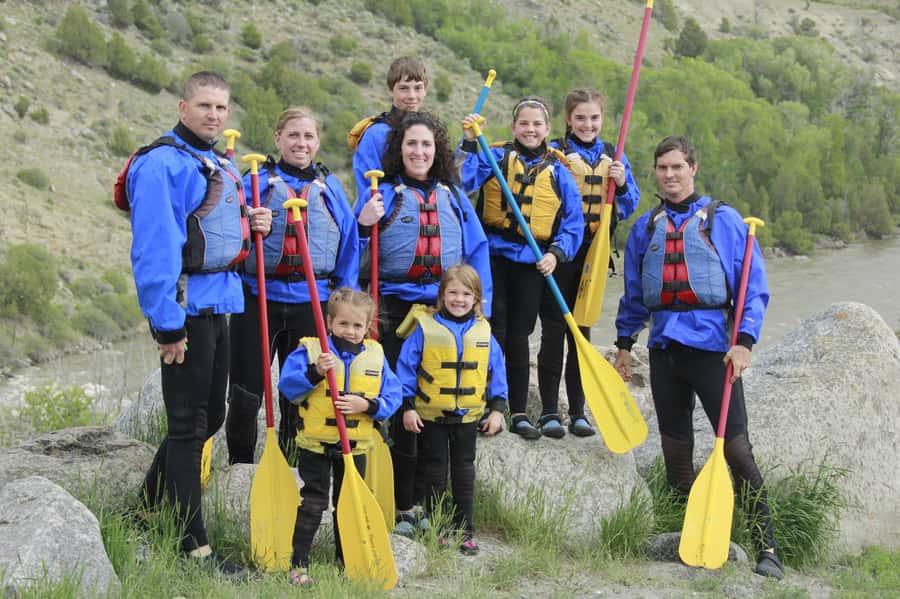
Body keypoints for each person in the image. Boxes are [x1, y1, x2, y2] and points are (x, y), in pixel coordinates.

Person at [613, 136, 783, 580]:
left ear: (693, 168)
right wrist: (624, 344)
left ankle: (766, 542)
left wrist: (744, 341)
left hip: (713, 349)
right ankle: (695, 531)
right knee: (675, 452)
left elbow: (752, 285)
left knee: (737, 450)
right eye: (662, 168)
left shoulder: (723, 221)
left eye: (677, 167)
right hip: (665, 350)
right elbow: (634, 293)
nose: (669, 175)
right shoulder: (646, 227)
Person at [126, 71, 272, 576]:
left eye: (222, 108)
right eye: (205, 106)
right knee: (189, 426)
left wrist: (252, 222)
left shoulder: (216, 162)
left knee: (210, 417)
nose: (214, 115)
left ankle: (144, 512)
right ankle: (195, 549)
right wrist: (167, 326)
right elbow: (154, 249)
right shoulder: (162, 164)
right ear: (182, 107)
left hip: (220, 304)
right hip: (186, 310)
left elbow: (213, 229)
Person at [354, 110, 492, 536]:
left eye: (426, 145)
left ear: (438, 151)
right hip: (393, 311)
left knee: (431, 406)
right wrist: (363, 224)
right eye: (411, 144)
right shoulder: (382, 196)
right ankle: (402, 505)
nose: (419, 151)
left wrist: (480, 311)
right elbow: (353, 251)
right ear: (399, 149)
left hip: (442, 313)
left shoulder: (453, 196)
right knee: (400, 406)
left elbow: (477, 252)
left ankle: (429, 504)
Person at [225, 107, 359, 465]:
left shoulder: (329, 188)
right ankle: (241, 469)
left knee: (299, 390)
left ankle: (292, 466)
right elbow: (228, 239)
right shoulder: (255, 182)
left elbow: (349, 246)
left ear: (317, 142)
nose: (301, 143)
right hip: (258, 299)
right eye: (294, 135)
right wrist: (248, 225)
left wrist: (344, 307)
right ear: (278, 138)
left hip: (310, 303)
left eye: (309, 136)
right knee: (245, 391)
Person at [459, 97, 584, 440]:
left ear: (547, 130)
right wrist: (470, 141)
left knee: (519, 334)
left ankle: (516, 410)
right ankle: (485, 402)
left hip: (532, 261)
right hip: (493, 257)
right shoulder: (493, 156)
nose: (530, 130)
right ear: (514, 127)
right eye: (524, 124)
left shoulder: (559, 172)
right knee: (491, 327)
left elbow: (573, 224)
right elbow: (463, 180)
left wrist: (556, 254)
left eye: (537, 124)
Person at [277, 288, 402, 586]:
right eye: (343, 324)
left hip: (355, 447)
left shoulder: (376, 355)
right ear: (329, 322)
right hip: (316, 446)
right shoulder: (310, 352)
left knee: (348, 503)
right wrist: (316, 372)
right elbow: (289, 388)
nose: (350, 331)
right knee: (313, 502)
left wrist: (368, 406)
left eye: (358, 325)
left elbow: (394, 394)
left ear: (367, 326)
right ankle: (299, 563)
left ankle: (346, 559)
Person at [537, 88, 641, 438]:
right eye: (580, 117)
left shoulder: (613, 156)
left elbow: (627, 207)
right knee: (553, 333)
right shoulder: (554, 154)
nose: (587, 124)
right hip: (559, 253)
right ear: (568, 119)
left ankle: (578, 411)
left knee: (581, 332)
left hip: (593, 259)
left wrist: (622, 184)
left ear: (602, 118)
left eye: (594, 117)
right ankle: (550, 411)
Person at [395, 265, 506, 555]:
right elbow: (405, 369)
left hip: (468, 417)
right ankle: (438, 528)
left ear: (476, 299)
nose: (459, 299)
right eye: (452, 292)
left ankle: (464, 531)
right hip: (431, 416)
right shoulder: (423, 328)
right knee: (433, 473)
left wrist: (497, 409)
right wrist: (407, 408)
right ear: (442, 296)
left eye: (466, 294)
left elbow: (497, 370)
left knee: (464, 474)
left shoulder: (484, 330)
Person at [350, 56, 428, 202]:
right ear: (390, 91)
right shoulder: (376, 134)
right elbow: (367, 188)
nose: (412, 96)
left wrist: (468, 142)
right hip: (391, 217)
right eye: (403, 88)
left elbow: (450, 183)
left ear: (425, 91)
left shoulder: (430, 132)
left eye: (418, 88)